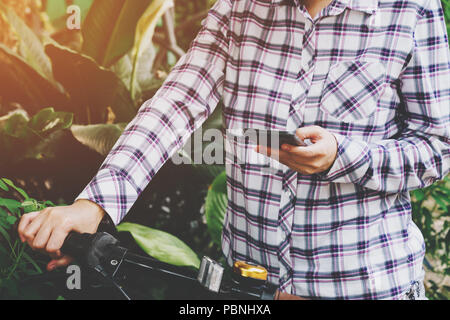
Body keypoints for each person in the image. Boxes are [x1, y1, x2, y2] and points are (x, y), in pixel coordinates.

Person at [18, 0, 450, 300]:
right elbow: (176, 103)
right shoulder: (240, 8)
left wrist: (344, 157)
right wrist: (94, 204)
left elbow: (437, 148)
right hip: (250, 287)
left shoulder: (409, 11)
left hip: (362, 285)